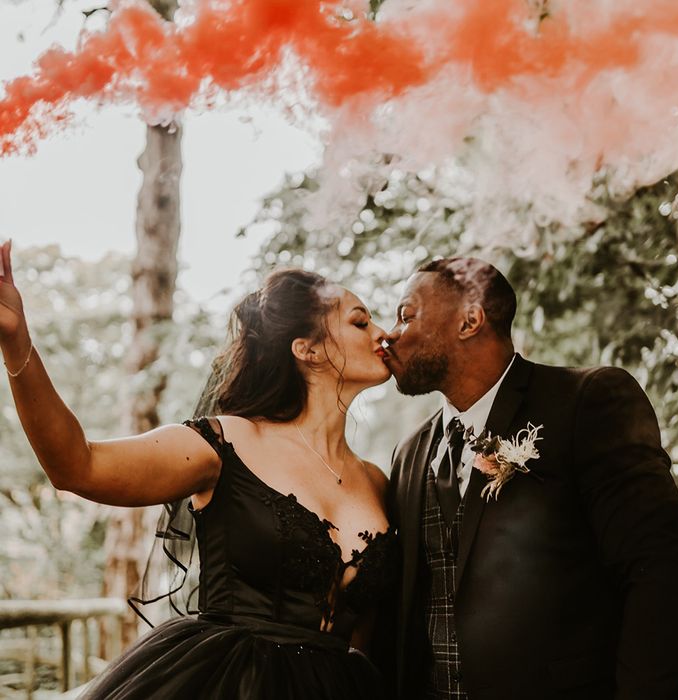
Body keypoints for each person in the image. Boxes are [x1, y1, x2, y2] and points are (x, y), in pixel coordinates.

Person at [0, 239, 398, 699]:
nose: (382, 333)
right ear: (307, 350)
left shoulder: (376, 481)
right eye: (361, 321)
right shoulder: (224, 444)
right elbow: (78, 465)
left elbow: (367, 632)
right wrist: (15, 338)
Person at [382, 257, 678, 700]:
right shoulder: (408, 454)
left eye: (406, 314)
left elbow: (658, 571)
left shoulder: (587, 402)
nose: (390, 334)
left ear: (469, 319)